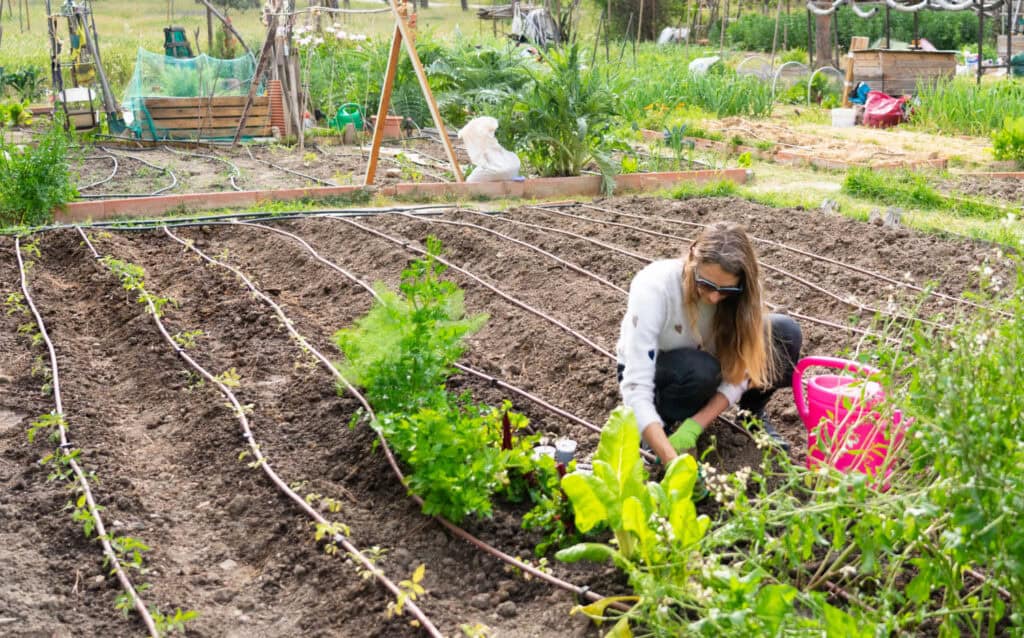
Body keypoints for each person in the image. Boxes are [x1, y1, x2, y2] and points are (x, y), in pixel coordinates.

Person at [616, 221, 802, 467]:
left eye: (726, 291)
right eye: (706, 285)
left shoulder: (741, 297)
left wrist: (697, 425)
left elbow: (741, 371)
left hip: (706, 367)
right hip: (659, 374)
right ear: (692, 257)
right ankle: (658, 425)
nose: (714, 297)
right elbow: (635, 384)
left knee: (783, 333)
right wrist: (671, 461)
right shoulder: (656, 286)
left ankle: (751, 415)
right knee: (701, 369)